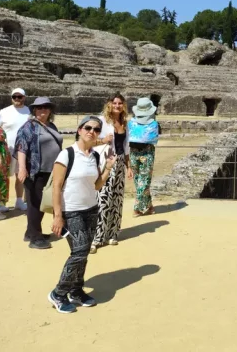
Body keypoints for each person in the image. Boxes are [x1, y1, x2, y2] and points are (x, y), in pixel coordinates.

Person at [48, 116, 116, 314]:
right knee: (79, 251)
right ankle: (59, 293)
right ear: (79, 130)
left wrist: (108, 168)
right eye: (88, 128)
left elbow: (96, 185)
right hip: (71, 211)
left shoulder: (94, 156)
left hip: (91, 209)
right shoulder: (66, 155)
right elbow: (56, 188)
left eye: (96, 129)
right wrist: (57, 216)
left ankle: (76, 290)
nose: (92, 132)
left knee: (83, 252)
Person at [14, 97, 63, 249]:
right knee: (36, 204)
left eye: (46, 107)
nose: (43, 110)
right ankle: (35, 238)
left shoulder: (51, 126)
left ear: (50, 110)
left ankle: (31, 232)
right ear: (34, 110)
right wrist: (22, 168)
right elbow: (21, 148)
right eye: (39, 107)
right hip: (35, 171)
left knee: (40, 202)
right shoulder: (29, 127)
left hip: (50, 170)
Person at [90, 93, 133, 253]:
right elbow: (87, 141)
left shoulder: (124, 122)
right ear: (109, 104)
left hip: (120, 162)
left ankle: (112, 233)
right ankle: (96, 238)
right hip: (107, 162)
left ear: (123, 105)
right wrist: (103, 140)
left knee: (116, 199)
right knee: (102, 199)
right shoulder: (101, 121)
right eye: (114, 103)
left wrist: (128, 166)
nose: (117, 105)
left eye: (120, 103)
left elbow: (126, 146)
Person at [0, 87, 31, 212]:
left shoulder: (29, 112)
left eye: (19, 97)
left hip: (24, 150)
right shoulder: (4, 112)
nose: (17, 99)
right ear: (11, 98)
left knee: (21, 176)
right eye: (14, 97)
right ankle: (0, 202)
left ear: (24, 98)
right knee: (3, 176)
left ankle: (19, 201)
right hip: (7, 149)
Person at [128, 97, 160, 217]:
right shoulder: (153, 124)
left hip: (140, 153)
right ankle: (148, 206)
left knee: (143, 181)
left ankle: (138, 207)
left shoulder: (131, 123)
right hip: (141, 153)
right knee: (140, 181)